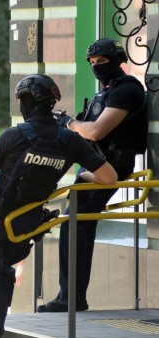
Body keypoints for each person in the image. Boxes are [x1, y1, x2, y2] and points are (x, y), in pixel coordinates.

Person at [0, 74, 117, 338]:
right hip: (25, 227)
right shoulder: (69, 139)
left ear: (27, 102)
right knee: (3, 275)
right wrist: (82, 178)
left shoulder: (14, 136)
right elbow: (109, 177)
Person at [38, 38, 148, 313]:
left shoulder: (127, 90)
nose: (97, 67)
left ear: (117, 60)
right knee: (74, 225)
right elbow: (85, 131)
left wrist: (69, 123)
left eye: (102, 61)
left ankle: (71, 297)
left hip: (111, 167)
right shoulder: (107, 91)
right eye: (92, 63)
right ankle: (70, 295)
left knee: (76, 225)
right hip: (96, 165)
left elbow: (96, 131)